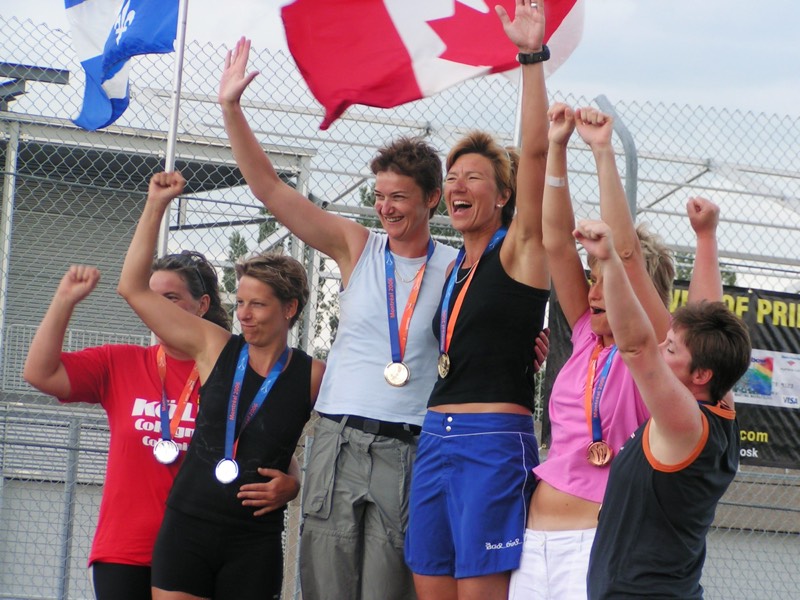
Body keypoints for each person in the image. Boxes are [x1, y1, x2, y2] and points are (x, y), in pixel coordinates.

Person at [218, 38, 459, 600]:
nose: (386, 208)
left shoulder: (456, 266)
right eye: (380, 196)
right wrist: (231, 108)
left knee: (387, 590)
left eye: (399, 197)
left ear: (432, 200)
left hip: (410, 444)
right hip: (339, 437)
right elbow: (271, 190)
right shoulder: (358, 246)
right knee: (325, 586)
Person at [117, 171, 325, 600]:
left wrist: (295, 483)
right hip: (188, 528)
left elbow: (329, 449)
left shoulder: (314, 375)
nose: (244, 314)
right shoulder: (215, 346)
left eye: (258, 304)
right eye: (241, 301)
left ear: (289, 308)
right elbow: (132, 288)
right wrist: (156, 205)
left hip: (253, 541)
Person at [403, 3, 551, 599]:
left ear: (504, 194)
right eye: (452, 178)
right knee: (429, 583)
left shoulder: (520, 249)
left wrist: (531, 58)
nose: (458, 186)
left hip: (492, 443)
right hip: (434, 436)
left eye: (473, 177)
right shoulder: (452, 268)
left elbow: (535, 155)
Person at [507, 102, 676, 599]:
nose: (595, 292)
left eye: (608, 281)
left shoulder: (656, 352)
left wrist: (602, 152)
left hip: (598, 543)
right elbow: (557, 244)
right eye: (593, 279)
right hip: (533, 541)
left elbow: (626, 254)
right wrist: (557, 148)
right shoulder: (586, 332)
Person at [22, 251, 230, 600]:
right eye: (151, 297)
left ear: (202, 305)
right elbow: (39, 373)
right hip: (125, 549)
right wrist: (64, 300)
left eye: (171, 298)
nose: (157, 308)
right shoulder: (120, 362)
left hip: (197, 548)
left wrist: (292, 479)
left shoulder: (229, 373)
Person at [574, 216, 751, 599]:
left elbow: (637, 348)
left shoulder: (686, 425)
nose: (659, 348)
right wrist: (706, 236)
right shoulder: (719, 403)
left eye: (670, 349)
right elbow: (708, 309)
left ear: (701, 374)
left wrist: (612, 262)